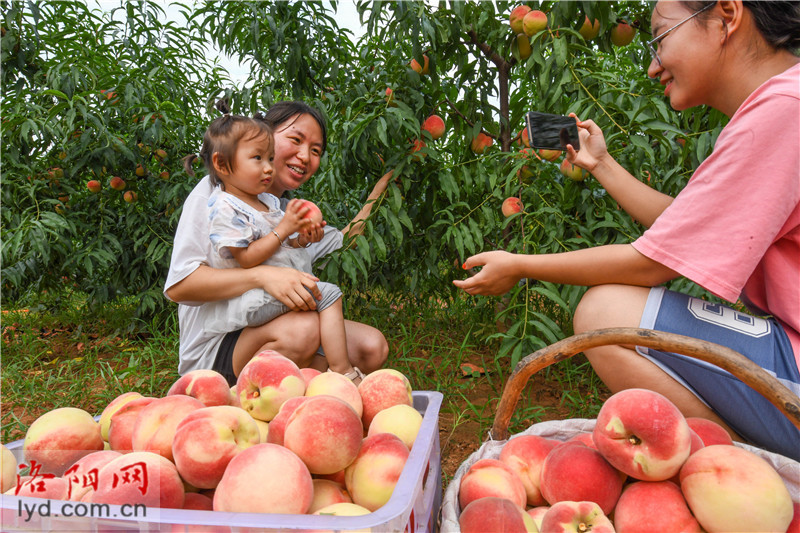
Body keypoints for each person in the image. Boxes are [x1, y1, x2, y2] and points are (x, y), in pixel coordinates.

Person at [454, 0, 799, 460]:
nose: (654, 66)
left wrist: (519, 265)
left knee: (605, 311)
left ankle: (741, 471)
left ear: (727, 16)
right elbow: (688, 228)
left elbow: (651, 263)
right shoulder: (785, 103)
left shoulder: (782, 112)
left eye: (660, 38)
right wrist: (601, 163)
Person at [165, 101, 391, 385]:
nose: (305, 156)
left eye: (316, 150)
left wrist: (383, 189)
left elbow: (347, 240)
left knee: (372, 347)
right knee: (304, 331)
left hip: (274, 327)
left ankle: (306, 398)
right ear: (264, 135)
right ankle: (235, 399)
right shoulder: (216, 195)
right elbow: (179, 287)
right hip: (216, 347)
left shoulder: (285, 212)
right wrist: (263, 275)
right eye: (296, 139)